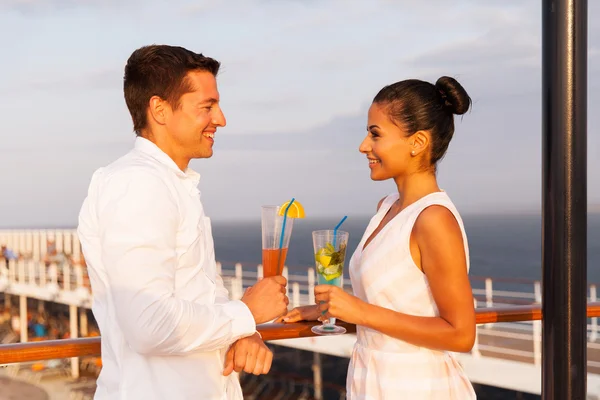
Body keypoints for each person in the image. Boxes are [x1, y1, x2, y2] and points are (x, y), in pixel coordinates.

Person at [78, 45, 289, 400]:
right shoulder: (138, 184)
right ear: (159, 109)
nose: (221, 119)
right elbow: (149, 324)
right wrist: (246, 312)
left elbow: (198, 291)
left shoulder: (170, 183)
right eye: (207, 107)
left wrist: (242, 328)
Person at [280, 77, 477, 399]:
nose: (363, 146)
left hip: (417, 386)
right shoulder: (386, 207)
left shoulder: (434, 219)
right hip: (372, 378)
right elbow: (391, 306)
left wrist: (358, 311)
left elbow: (460, 334)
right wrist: (333, 310)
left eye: (375, 134)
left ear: (417, 143)